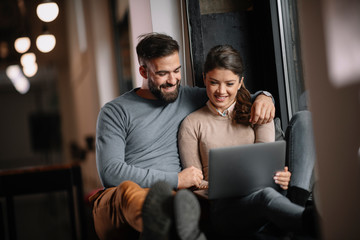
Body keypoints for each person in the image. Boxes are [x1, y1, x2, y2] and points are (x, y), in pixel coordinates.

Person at [90, 33, 276, 240]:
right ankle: (158, 218)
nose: (172, 80)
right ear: (143, 71)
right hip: (121, 202)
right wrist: (176, 179)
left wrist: (265, 97)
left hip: (175, 198)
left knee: (179, 205)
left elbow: (235, 94)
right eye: (162, 73)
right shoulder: (115, 111)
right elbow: (110, 172)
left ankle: (163, 228)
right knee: (130, 191)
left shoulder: (189, 96)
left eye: (177, 71)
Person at [178, 45, 317, 237]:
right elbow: (194, 183)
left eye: (229, 83)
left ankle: (296, 203)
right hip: (227, 207)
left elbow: (268, 167)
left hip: (270, 191)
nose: (221, 91)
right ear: (204, 79)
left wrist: (283, 177)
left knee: (305, 119)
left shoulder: (257, 110)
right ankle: (303, 220)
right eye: (214, 82)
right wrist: (224, 184)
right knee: (264, 196)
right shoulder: (191, 124)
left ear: (240, 82)